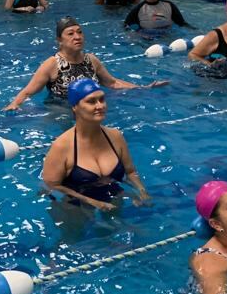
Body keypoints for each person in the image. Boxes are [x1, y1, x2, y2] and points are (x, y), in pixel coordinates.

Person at [3, 16, 168, 110]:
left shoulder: (91, 60)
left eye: (80, 32)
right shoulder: (52, 64)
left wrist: (143, 88)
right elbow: (27, 92)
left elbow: (113, 83)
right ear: (59, 40)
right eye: (70, 33)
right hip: (61, 112)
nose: (77, 36)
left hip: (91, 111)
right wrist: (13, 105)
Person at [41, 78, 149, 210]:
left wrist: (142, 191)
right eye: (91, 101)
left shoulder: (115, 136)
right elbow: (51, 186)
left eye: (102, 99)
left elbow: (131, 172)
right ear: (75, 107)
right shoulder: (62, 146)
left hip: (112, 195)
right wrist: (92, 202)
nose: (100, 106)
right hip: (74, 203)